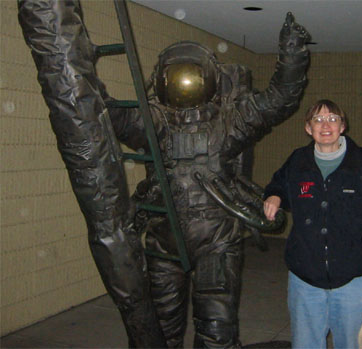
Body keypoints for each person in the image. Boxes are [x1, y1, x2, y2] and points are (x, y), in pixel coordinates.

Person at [19, 0, 310, 347]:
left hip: (216, 241)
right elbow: (102, 110)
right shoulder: (154, 120)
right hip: (163, 238)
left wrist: (293, 54)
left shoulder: (228, 122)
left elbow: (280, 99)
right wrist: (73, 67)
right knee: (162, 328)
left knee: (216, 331)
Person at [263, 99, 362, 349]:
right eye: (318, 120)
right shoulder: (298, 161)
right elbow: (278, 184)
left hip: (353, 282)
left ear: (342, 126)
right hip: (305, 282)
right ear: (308, 128)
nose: (325, 125)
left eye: (332, 119)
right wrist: (274, 195)